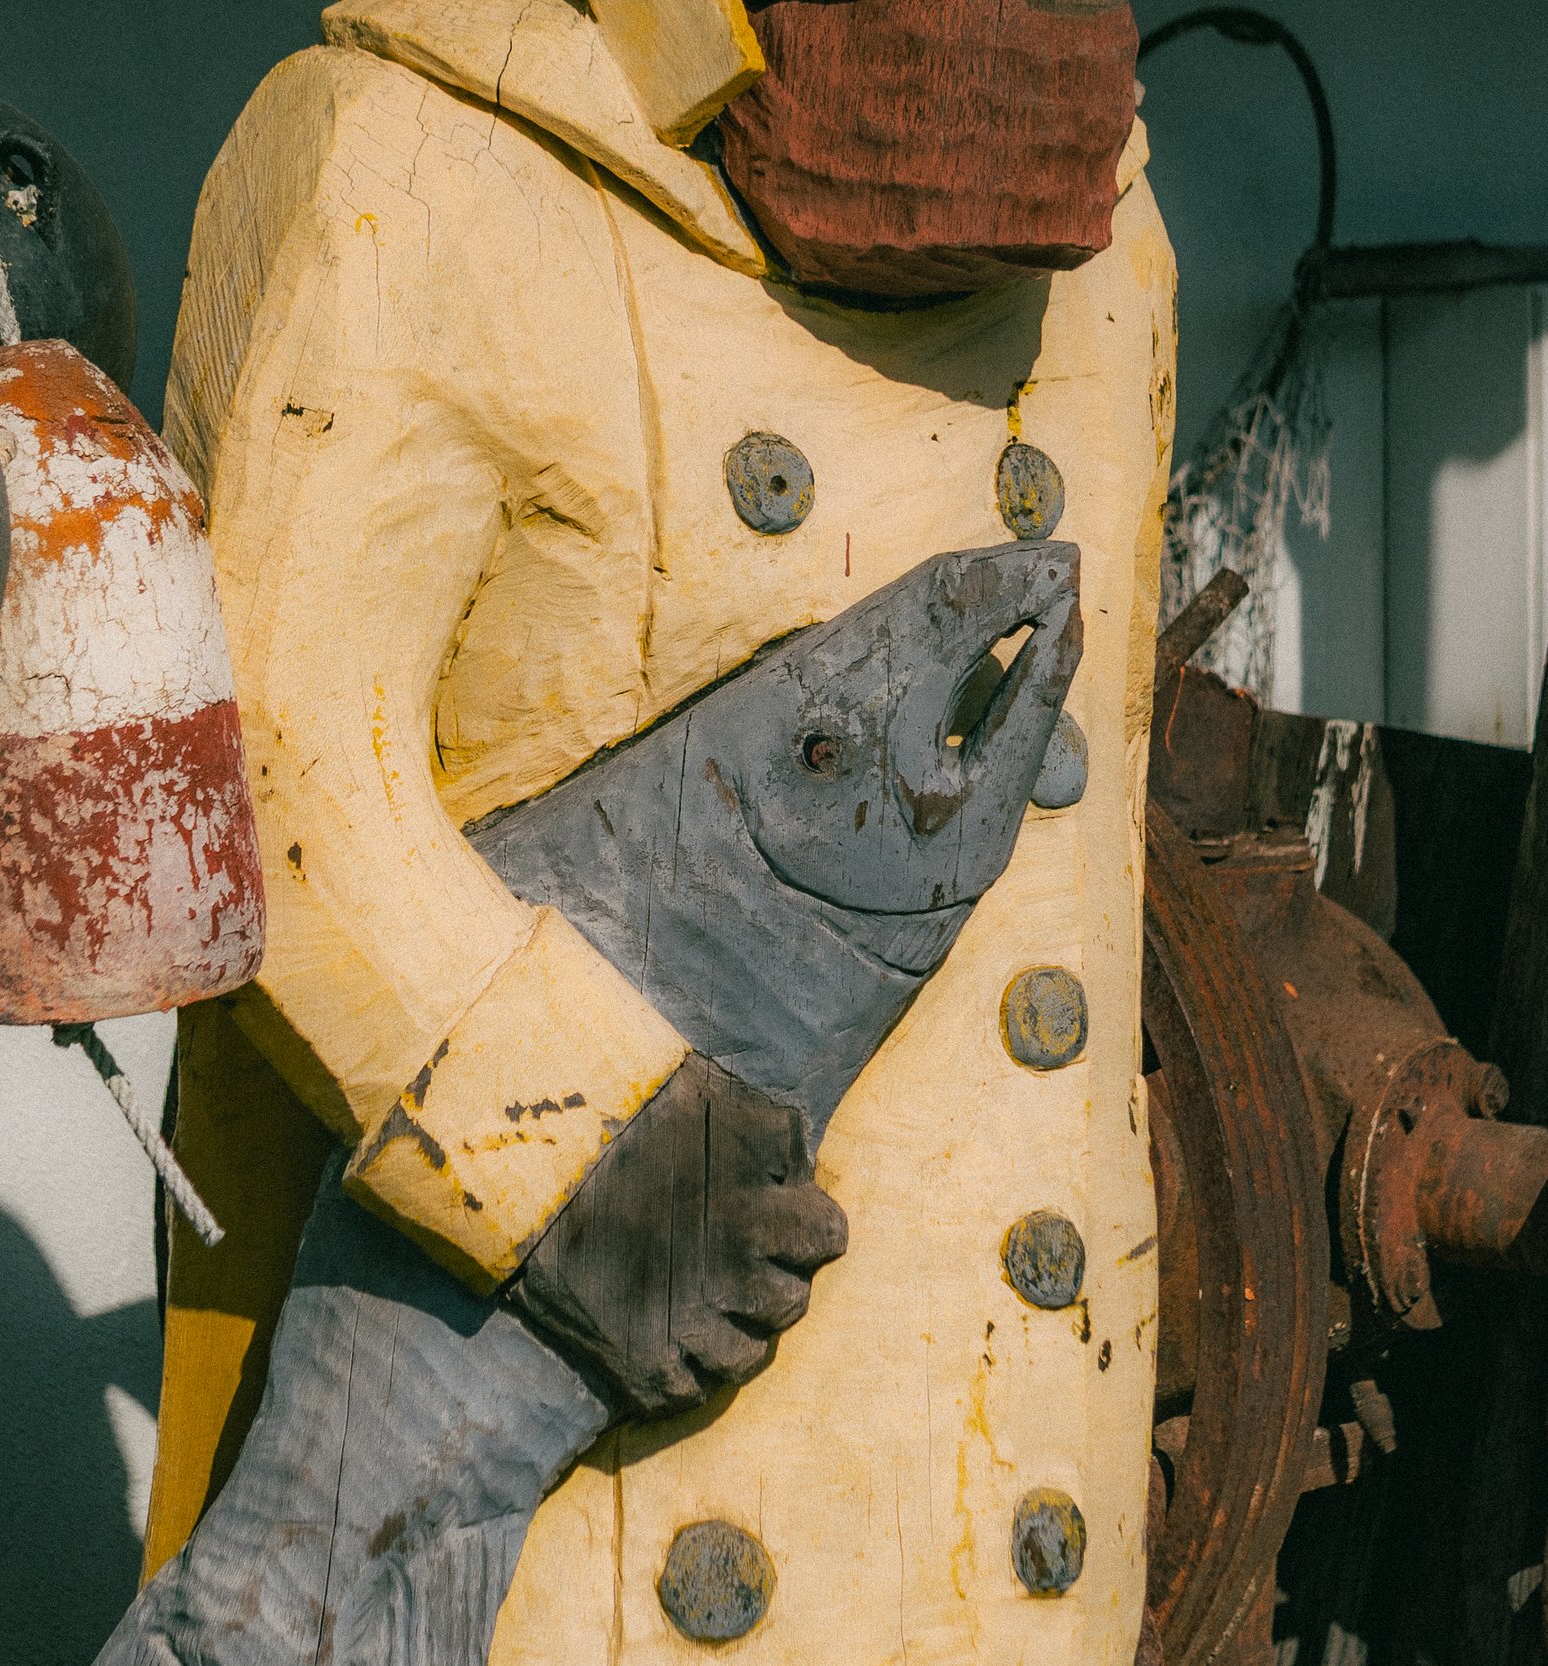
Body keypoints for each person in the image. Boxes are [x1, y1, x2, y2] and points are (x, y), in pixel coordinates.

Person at [107, 2, 1175, 1659]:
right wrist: (578, 1157)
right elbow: (270, 782)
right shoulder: (406, 157)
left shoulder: (1114, 246)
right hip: (585, 1553)